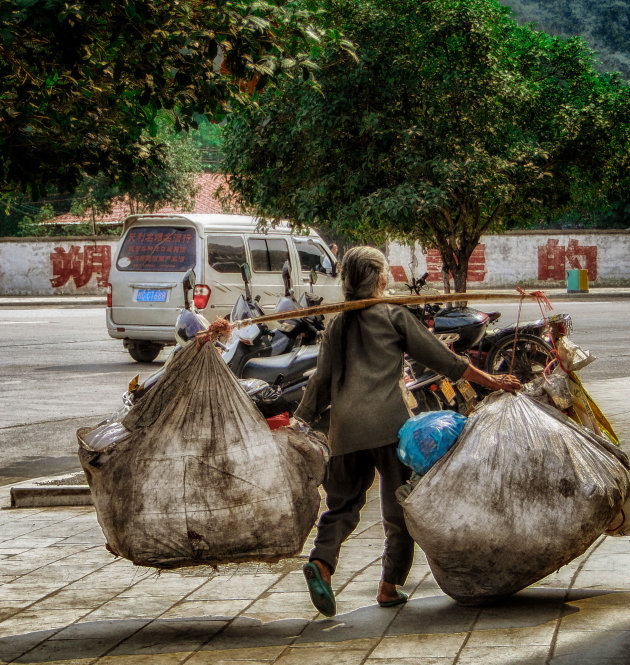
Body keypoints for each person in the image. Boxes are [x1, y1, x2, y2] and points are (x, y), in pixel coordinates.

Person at [295, 246, 520, 617]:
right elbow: (443, 359)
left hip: (345, 433)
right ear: (380, 278)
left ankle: (320, 565)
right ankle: (388, 586)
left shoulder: (336, 324)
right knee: (399, 507)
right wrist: (491, 379)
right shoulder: (393, 316)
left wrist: (301, 421)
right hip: (389, 428)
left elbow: (320, 382)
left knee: (342, 507)